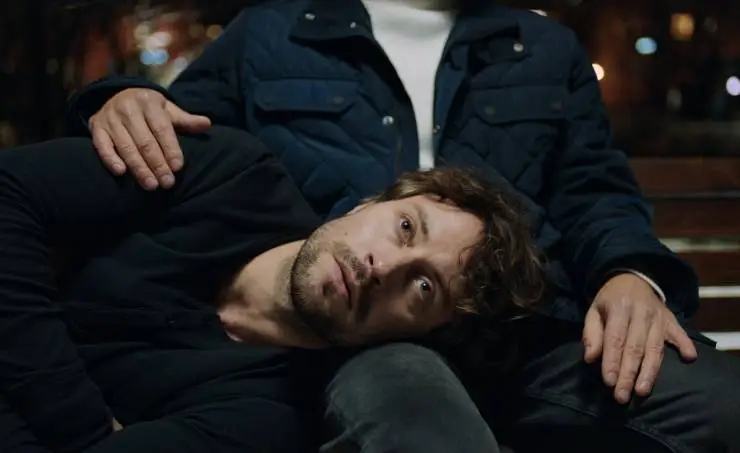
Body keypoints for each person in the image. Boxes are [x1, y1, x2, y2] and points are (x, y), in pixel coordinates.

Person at [67, 0, 740, 452]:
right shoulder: (277, 28)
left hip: (527, 338)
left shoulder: (542, 46)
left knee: (720, 404)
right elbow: (177, 126)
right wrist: (121, 98)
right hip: (362, 329)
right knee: (416, 412)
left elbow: (594, 188)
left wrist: (632, 272)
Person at [0, 126, 544, 453]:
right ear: (371, 202)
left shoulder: (269, 422)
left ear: (420, 335)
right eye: (405, 227)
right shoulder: (237, 173)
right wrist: (85, 428)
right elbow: (9, 191)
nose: (383, 266)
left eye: (423, 286)